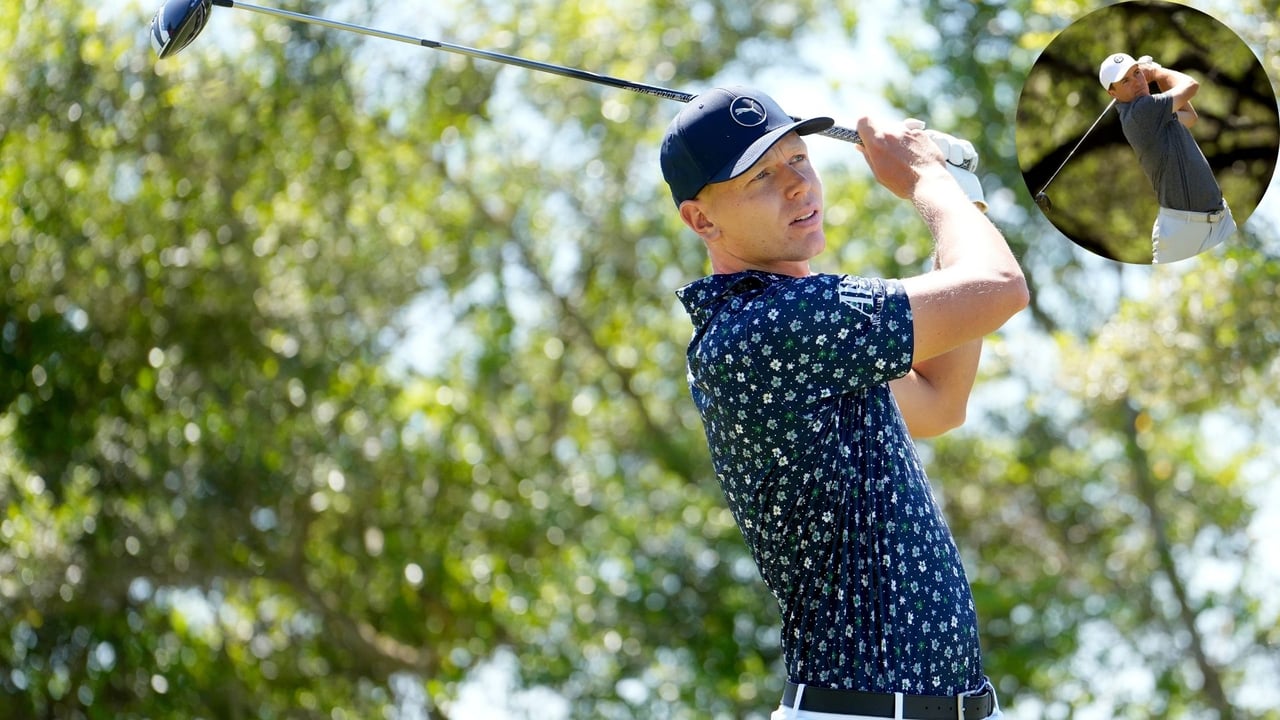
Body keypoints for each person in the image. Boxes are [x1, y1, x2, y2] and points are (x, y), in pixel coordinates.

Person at [661, 86, 1028, 719]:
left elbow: (940, 401)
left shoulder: (803, 336)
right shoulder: (767, 327)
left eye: (798, 159)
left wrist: (958, 193)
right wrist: (923, 178)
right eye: (761, 177)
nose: (798, 186)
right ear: (702, 221)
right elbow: (1000, 289)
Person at [1099, 52, 1236, 263]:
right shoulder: (1141, 112)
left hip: (1220, 219)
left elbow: (1190, 118)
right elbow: (1191, 85)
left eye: (1137, 73)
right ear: (1112, 93)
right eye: (1125, 80)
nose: (1137, 82)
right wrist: (1155, 72)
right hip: (1182, 232)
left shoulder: (1154, 110)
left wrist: (1156, 76)